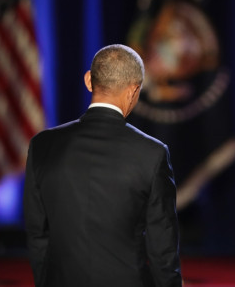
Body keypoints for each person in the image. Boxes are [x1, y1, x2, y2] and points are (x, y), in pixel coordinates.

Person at [23, 44, 182, 286]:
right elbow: (162, 249)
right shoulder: (152, 154)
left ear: (89, 80)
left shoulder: (42, 146)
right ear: (134, 91)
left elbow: (38, 234)